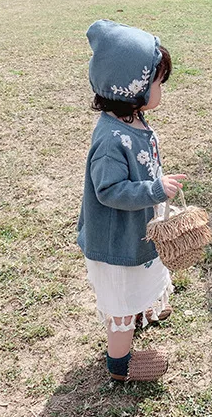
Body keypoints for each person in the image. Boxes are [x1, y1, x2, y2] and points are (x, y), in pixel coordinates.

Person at [77, 20, 186, 382]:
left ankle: (141, 310)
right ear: (133, 87)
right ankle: (120, 365)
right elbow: (108, 191)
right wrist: (154, 191)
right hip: (115, 238)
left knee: (141, 275)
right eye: (156, 81)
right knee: (120, 300)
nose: (161, 88)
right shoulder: (111, 140)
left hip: (135, 228)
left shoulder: (133, 120)